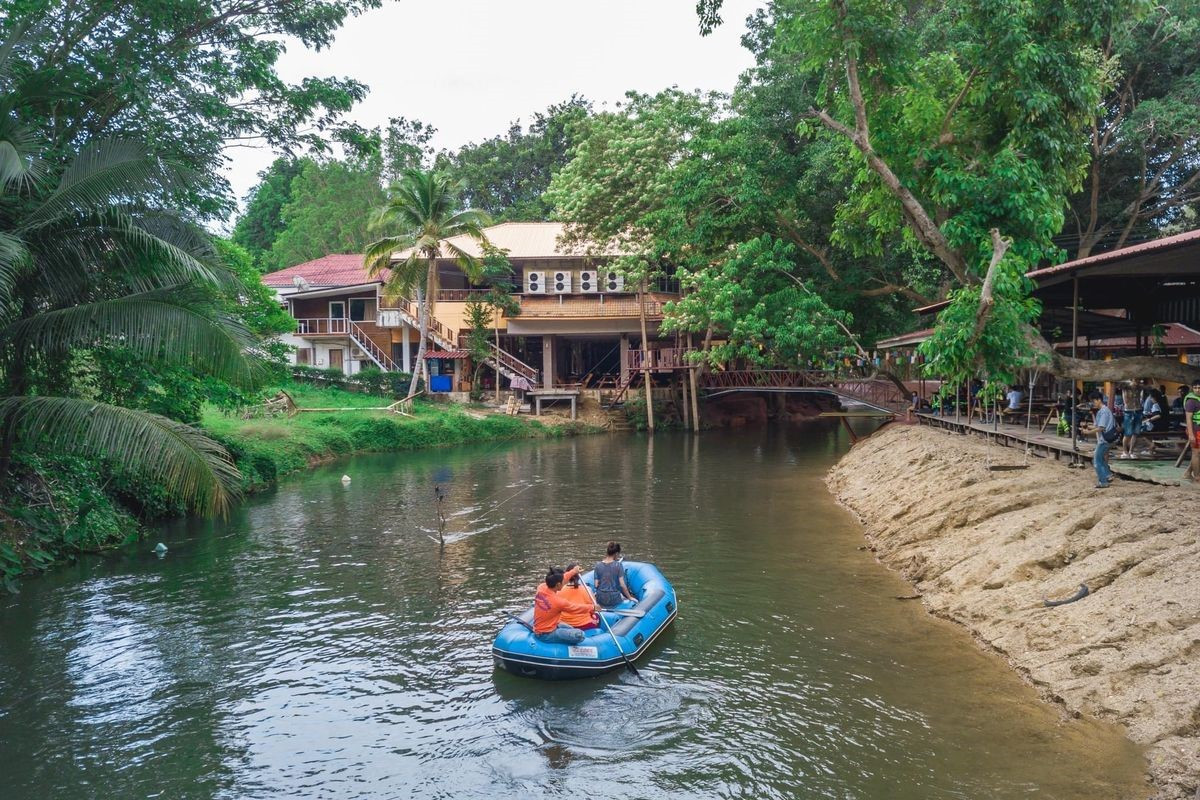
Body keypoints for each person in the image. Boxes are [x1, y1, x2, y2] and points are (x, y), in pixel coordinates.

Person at [533, 565, 596, 644]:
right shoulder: (558, 602)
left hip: (546, 627)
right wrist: (593, 607)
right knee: (580, 635)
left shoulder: (541, 587)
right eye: (563, 582)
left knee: (570, 628)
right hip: (546, 634)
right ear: (558, 585)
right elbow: (576, 608)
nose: (565, 582)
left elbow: (564, 577)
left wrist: (574, 571)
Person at [1083, 390, 1118, 488]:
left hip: (1104, 440)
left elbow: (1101, 428)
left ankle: (1103, 482)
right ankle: (1108, 475)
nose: (1092, 403)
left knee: (1096, 461)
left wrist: (1088, 432)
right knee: (1101, 459)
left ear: (1099, 400)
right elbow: (1097, 426)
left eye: (1093, 401)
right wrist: (1087, 427)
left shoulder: (1104, 411)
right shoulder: (1102, 411)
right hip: (1105, 440)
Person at [557, 563, 600, 630]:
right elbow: (593, 610)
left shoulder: (558, 590)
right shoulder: (588, 589)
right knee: (597, 616)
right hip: (584, 624)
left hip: (565, 623)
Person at [593, 541, 635, 608]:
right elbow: (622, 585)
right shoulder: (618, 565)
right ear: (616, 553)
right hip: (614, 599)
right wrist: (629, 597)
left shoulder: (598, 565)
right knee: (628, 599)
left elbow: (596, 584)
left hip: (600, 599)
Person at [1184, 379, 1200, 483]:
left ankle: (1188, 473)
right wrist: (1191, 434)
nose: (1197, 390)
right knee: (1196, 453)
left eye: (1199, 388)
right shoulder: (1191, 401)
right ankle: (1197, 477)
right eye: (1195, 388)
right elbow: (1188, 419)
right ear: (1192, 388)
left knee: (1198, 453)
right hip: (1195, 430)